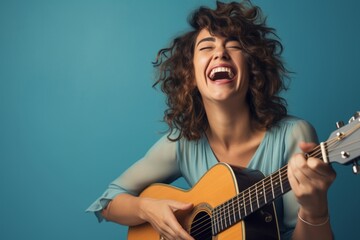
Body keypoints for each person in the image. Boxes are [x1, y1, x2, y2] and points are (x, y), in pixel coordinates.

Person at [87, 1, 336, 239]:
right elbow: (108, 202)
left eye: (234, 46)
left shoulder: (293, 134)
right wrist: (147, 209)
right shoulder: (182, 145)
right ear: (191, 74)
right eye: (206, 47)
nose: (220, 53)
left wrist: (315, 211)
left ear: (253, 68)